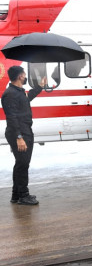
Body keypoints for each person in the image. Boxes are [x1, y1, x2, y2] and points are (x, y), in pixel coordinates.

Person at [2, 66, 46, 205]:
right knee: (23, 164)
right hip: (19, 132)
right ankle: (23, 195)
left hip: (24, 130)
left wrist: (40, 87)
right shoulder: (10, 94)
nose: (26, 77)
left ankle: (16, 195)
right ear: (20, 76)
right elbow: (12, 117)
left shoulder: (19, 92)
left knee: (21, 163)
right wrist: (19, 137)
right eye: (25, 74)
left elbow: (28, 97)